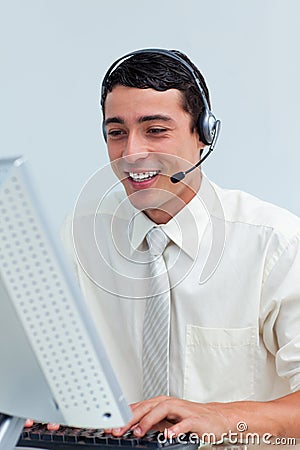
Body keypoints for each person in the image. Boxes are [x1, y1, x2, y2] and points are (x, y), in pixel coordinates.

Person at [60, 49, 300, 439]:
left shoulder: (277, 245)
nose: (132, 153)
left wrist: (223, 419)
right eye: (117, 132)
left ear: (203, 135)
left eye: (155, 130)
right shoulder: (80, 237)